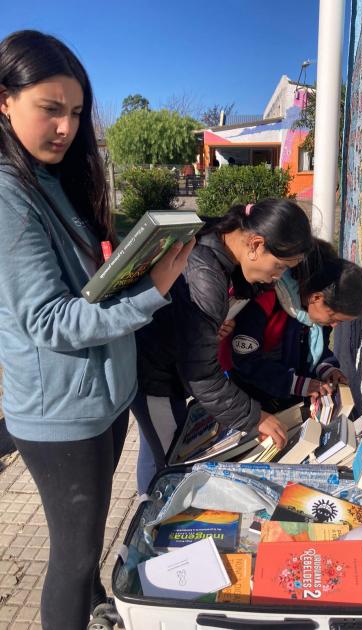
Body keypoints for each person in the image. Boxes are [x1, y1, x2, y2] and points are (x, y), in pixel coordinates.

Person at [0, 30, 194, 630]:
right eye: (49, 109)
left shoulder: (52, 179)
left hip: (104, 399)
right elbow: (47, 320)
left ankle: (91, 610)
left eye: (76, 112)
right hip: (59, 415)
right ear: (4, 101)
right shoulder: (8, 193)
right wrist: (153, 290)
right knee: (74, 555)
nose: (66, 127)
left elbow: (88, 288)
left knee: (86, 558)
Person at [133, 198, 314, 491]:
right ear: (255, 244)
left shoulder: (217, 237)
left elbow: (187, 321)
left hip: (165, 364)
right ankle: (151, 520)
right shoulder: (208, 278)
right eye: (279, 266)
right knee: (169, 463)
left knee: (155, 446)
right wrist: (254, 417)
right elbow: (200, 374)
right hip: (154, 375)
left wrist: (208, 326)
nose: (278, 277)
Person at [228, 239, 362, 413]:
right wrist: (298, 385)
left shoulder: (316, 316)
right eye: (334, 317)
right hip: (248, 400)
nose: (334, 324)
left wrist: (328, 369)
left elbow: (315, 350)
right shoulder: (267, 299)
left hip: (284, 397)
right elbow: (246, 362)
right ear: (317, 298)